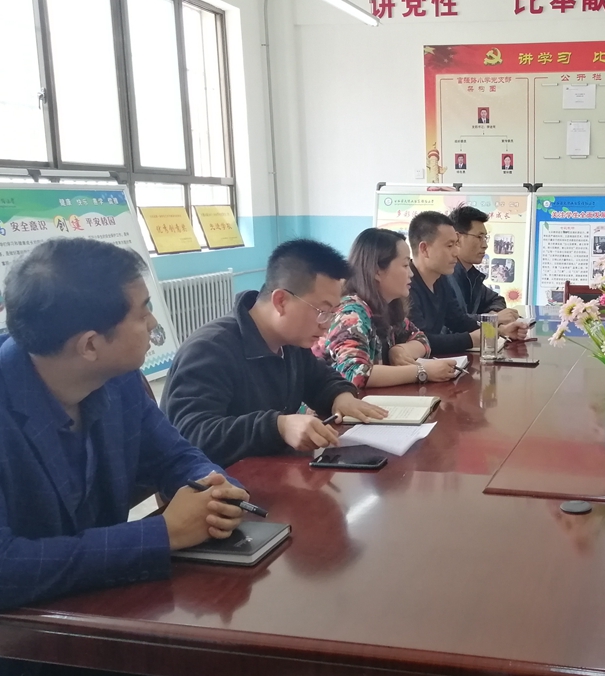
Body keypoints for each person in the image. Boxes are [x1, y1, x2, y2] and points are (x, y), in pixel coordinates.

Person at [0, 239, 246, 614]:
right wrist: (162, 534)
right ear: (90, 345)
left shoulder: (117, 377)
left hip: (103, 603)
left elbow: (174, 456)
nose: (153, 323)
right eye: (143, 312)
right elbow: (6, 567)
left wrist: (215, 491)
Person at [163, 239, 387, 468]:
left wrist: (341, 397)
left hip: (270, 470)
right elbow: (191, 434)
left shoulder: (290, 341)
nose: (327, 324)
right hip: (217, 482)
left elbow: (320, 380)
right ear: (281, 301)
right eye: (322, 311)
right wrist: (278, 427)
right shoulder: (209, 350)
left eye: (333, 313)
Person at [315, 228, 457, 388]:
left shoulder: (387, 307)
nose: (411, 273)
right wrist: (422, 372)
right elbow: (355, 374)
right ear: (377, 271)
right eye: (405, 265)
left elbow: (421, 338)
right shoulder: (351, 313)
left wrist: (401, 350)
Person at [407, 211, 527, 356]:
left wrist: (500, 330)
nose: (456, 252)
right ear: (424, 249)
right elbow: (422, 341)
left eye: (456, 244)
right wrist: (472, 339)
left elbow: (460, 322)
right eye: (450, 245)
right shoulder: (406, 286)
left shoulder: (441, 280)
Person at [448, 205, 519, 325]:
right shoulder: (444, 276)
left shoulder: (471, 275)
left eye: (485, 238)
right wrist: (491, 319)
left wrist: (492, 314)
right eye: (479, 237)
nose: (485, 245)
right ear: (457, 238)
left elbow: (496, 300)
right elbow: (452, 321)